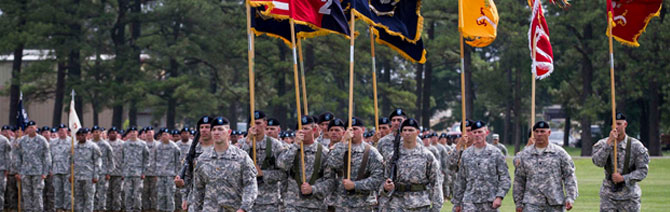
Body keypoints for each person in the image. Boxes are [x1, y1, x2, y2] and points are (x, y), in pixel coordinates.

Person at [190, 116, 258, 212]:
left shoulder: (241, 157)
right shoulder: (203, 159)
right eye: (214, 130)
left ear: (229, 132)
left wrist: (244, 208)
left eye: (220, 129)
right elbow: (198, 189)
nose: (216, 132)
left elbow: (251, 185)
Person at [513, 121, 578, 212]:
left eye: (542, 131)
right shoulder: (525, 155)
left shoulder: (560, 153)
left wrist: (570, 197)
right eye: (537, 131)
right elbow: (519, 180)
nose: (539, 134)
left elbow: (569, 176)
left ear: (549, 133)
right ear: (533, 133)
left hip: (555, 202)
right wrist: (518, 202)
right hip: (532, 203)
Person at [382, 118, 443, 212]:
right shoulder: (393, 156)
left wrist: (436, 207)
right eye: (404, 130)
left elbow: (436, 183)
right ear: (401, 133)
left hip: (420, 204)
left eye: (411, 130)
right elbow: (384, 180)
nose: (407, 133)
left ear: (417, 132)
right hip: (397, 204)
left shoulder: (427, 156)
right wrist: (385, 188)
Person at [592, 113, 649, 212]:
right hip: (608, 196)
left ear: (625, 124)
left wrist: (623, 178)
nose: (616, 127)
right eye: (614, 125)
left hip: (629, 196)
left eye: (619, 124)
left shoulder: (636, 146)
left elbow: (643, 171)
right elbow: (598, 162)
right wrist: (609, 143)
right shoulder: (602, 144)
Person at [326, 117, 384, 211]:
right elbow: (332, 164)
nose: (353, 132)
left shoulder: (371, 152)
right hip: (342, 204)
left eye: (355, 129)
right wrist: (343, 142)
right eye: (350, 129)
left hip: (363, 204)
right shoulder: (338, 148)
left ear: (363, 130)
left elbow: (378, 179)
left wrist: (355, 185)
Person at [277, 116, 334, 211]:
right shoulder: (290, 150)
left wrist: (313, 189)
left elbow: (330, 181)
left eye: (305, 129)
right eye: (299, 129)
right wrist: (295, 145)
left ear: (314, 129)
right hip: (293, 204)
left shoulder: (324, 152)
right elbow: (282, 165)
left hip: (315, 205)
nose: (302, 132)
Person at [452, 121, 510, 212]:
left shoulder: (495, 153)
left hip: (489, 202)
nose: (477, 135)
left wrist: (499, 196)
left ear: (486, 133)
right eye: (475, 132)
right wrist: (457, 202)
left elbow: (505, 177)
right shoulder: (466, 154)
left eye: (480, 132)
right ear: (471, 134)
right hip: (470, 201)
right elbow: (461, 180)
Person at [242, 110, 287, 211]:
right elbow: (236, 166)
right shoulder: (242, 144)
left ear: (265, 124)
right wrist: (248, 140)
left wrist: (263, 174)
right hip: (246, 200)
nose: (255, 127)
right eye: (253, 124)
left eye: (258, 123)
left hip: (268, 201)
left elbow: (283, 173)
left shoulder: (275, 145)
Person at [175, 116, 214, 211]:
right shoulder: (193, 151)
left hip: (216, 199)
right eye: (202, 127)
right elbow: (188, 177)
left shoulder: (221, 150)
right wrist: (185, 198)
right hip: (195, 200)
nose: (204, 130)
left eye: (207, 127)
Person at [14, 121, 52, 212]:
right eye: (29, 127)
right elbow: (17, 157)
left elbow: (47, 157)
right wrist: (18, 171)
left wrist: (45, 172)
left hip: (38, 172)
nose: (31, 129)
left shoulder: (42, 140)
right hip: (25, 172)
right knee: (26, 194)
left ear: (36, 128)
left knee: (37, 193)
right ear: (26, 129)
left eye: (32, 127)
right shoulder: (21, 140)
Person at [71, 128, 102, 212]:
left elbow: (97, 162)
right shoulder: (74, 147)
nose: (81, 137)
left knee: (89, 198)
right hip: (77, 177)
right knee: (78, 198)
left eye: (83, 135)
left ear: (87, 135)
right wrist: (70, 175)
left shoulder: (93, 147)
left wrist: (95, 176)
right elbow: (71, 162)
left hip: (89, 177)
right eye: (79, 135)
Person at [121, 126, 150, 212]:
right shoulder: (125, 144)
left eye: (134, 132)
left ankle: (137, 210)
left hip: (138, 174)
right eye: (131, 132)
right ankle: (128, 210)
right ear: (128, 134)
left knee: (137, 194)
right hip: (127, 174)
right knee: (127, 194)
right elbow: (122, 159)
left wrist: (144, 172)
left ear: (137, 133)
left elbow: (146, 159)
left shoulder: (142, 144)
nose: (133, 133)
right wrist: (123, 172)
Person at [154, 128, 181, 212]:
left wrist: (177, 174)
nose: (164, 136)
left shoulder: (174, 147)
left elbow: (178, 162)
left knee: (170, 195)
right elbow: (155, 160)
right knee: (160, 195)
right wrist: (155, 173)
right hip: (160, 174)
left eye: (166, 134)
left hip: (170, 174)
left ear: (169, 136)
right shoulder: (157, 147)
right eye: (163, 134)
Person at [91, 125, 115, 212]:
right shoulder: (89, 144)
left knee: (102, 192)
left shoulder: (106, 145)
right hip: (91, 173)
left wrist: (109, 172)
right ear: (92, 133)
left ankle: (101, 208)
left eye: (98, 132)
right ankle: (93, 208)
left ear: (101, 133)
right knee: (91, 192)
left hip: (102, 173)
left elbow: (111, 159)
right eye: (95, 132)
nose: (96, 133)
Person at [106, 127, 125, 212]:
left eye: (115, 133)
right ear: (108, 134)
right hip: (107, 173)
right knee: (107, 193)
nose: (113, 134)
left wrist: (124, 172)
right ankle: (108, 209)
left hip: (118, 173)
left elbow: (125, 159)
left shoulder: (122, 144)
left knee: (117, 193)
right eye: (111, 133)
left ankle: (117, 209)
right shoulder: (105, 144)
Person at [142, 126, 158, 212]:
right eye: (147, 132)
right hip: (144, 173)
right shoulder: (142, 144)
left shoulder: (158, 145)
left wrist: (158, 173)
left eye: (150, 132)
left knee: (154, 193)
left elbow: (160, 159)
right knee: (144, 193)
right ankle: (146, 209)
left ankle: (154, 209)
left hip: (154, 173)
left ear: (153, 133)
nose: (149, 133)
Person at [0, 127, 11, 211]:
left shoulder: (4, 141)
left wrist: (7, 168)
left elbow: (8, 156)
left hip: (1, 169)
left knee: (0, 191)